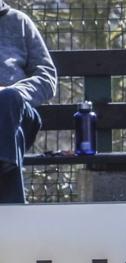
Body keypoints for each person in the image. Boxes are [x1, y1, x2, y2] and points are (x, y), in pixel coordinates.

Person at [0, 1, 56, 204]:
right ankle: (13, 212)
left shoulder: (19, 22)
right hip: (11, 134)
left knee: (6, 100)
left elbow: (47, 77)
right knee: (10, 141)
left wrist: (13, 92)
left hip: (16, 111)